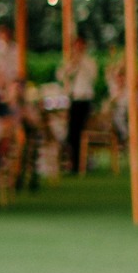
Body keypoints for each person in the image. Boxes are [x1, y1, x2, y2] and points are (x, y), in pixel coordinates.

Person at [59, 36, 98, 173]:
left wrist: (80, 62)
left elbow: (92, 76)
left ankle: (80, 162)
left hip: (84, 99)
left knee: (77, 131)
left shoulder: (89, 62)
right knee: (71, 132)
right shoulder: (70, 61)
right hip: (74, 99)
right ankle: (72, 161)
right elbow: (61, 75)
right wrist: (71, 65)